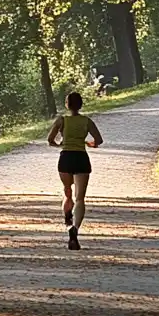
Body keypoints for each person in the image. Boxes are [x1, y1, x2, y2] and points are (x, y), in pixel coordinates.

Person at [47, 92, 103, 250]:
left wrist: (59, 145)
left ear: (66, 104)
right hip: (81, 158)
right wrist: (90, 144)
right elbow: (99, 140)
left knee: (67, 191)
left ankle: (67, 217)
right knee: (80, 198)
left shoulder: (61, 120)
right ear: (81, 105)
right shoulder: (87, 121)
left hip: (65, 158)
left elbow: (50, 140)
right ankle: (75, 229)